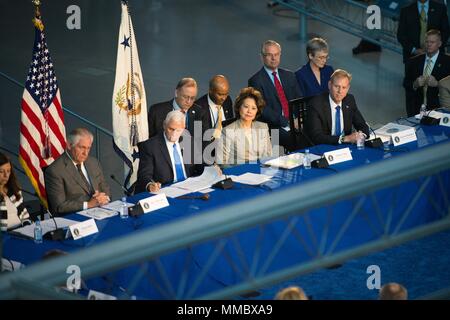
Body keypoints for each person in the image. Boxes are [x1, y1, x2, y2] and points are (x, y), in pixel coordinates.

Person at [248, 40, 303, 151]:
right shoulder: (255, 81)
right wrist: (288, 122)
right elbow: (263, 109)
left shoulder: (289, 75)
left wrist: (300, 119)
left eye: (276, 54)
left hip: (294, 120)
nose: (274, 58)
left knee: (313, 132)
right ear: (262, 57)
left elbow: (299, 100)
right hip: (273, 126)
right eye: (269, 55)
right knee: (295, 140)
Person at [44, 128, 111, 216]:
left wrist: (104, 198)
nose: (85, 153)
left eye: (88, 148)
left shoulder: (94, 162)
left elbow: (105, 188)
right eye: (82, 147)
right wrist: (89, 204)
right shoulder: (55, 170)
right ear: (69, 145)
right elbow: (59, 206)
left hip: (101, 211)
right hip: (74, 218)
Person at [136, 110, 202, 193]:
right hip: (166, 190)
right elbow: (144, 175)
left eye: (178, 130)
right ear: (164, 125)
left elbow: (200, 165)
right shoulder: (150, 146)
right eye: (171, 129)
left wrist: (212, 169)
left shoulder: (189, 141)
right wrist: (150, 185)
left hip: (189, 188)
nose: (174, 134)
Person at [306, 69, 369, 145]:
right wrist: (345, 139)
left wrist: (361, 136)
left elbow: (362, 125)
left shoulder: (349, 100)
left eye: (344, 87)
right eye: (337, 86)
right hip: (325, 147)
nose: (340, 91)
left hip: (346, 149)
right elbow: (316, 136)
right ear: (329, 85)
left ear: (348, 88)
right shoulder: (316, 104)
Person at [216, 87, 272, 166]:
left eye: (253, 108)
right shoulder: (227, 131)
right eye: (246, 107)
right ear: (239, 107)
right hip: (239, 173)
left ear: (257, 111)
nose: (249, 111)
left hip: (261, 172)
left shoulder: (263, 127)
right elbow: (221, 162)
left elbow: (268, 155)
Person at [404, 29, 450, 116]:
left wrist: (437, 84)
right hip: (416, 111)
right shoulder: (413, 62)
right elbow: (406, 83)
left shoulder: (448, 62)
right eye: (427, 42)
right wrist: (415, 84)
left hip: (439, 112)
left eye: (432, 42)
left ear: (439, 44)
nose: (429, 44)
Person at [195, 75, 235, 140]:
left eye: (226, 94)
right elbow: (199, 138)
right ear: (210, 91)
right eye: (220, 94)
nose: (224, 98)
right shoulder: (198, 107)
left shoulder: (228, 100)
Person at [0, 152, 30, 231]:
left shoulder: (14, 190)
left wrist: (28, 228)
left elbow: (25, 216)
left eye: (8, 171)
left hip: (21, 231)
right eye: (1, 171)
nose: (6, 175)